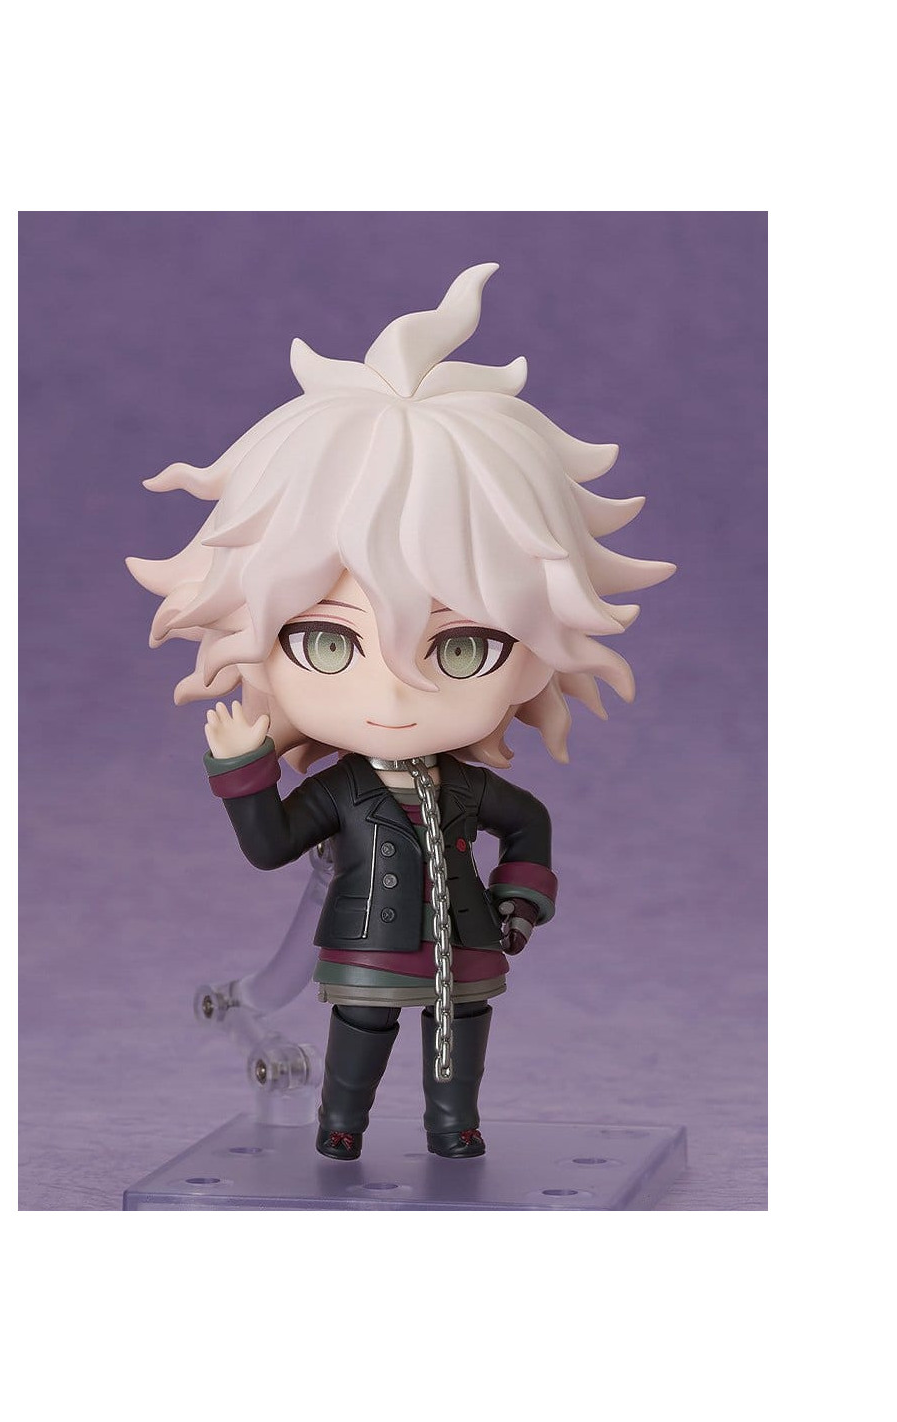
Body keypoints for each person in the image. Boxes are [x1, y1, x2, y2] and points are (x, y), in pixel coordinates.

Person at [128, 263, 673, 1160]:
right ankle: (339, 1125)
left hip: (469, 944)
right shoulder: (342, 790)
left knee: (462, 1046)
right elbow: (271, 846)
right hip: (366, 951)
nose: (392, 694)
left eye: (461, 650)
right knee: (361, 1036)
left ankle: (453, 1127)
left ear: (538, 646)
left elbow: (528, 824)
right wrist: (241, 771)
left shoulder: (467, 789)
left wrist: (520, 901)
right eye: (328, 645)